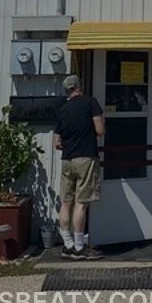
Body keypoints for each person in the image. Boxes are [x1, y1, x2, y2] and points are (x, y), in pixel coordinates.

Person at [54, 74, 105, 260]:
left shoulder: (62, 110)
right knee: (81, 204)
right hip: (86, 158)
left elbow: (57, 143)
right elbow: (100, 130)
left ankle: (67, 244)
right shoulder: (90, 103)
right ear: (79, 86)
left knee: (66, 202)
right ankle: (78, 246)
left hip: (68, 160)